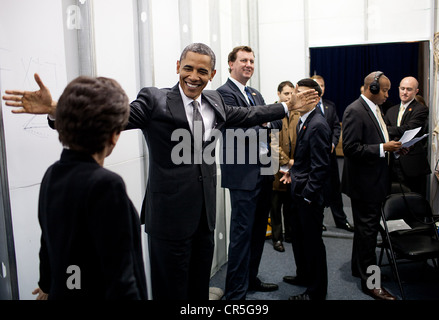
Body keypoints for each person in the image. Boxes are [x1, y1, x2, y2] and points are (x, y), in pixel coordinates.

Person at [3, 43, 319, 300]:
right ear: (178, 66)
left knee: (197, 291)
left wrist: (285, 107)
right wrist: (58, 108)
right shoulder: (154, 100)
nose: (194, 76)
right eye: (188, 68)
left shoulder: (216, 101)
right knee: (171, 292)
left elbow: (248, 114)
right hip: (168, 218)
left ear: (212, 74)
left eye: (202, 71)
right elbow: (114, 116)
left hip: (204, 217)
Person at [32, 76, 147, 299]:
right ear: (114, 136)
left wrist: (46, 284)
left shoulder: (52, 174)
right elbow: (121, 278)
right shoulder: (106, 185)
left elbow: (47, 244)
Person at [217, 45, 278, 300]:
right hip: (242, 176)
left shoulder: (255, 93)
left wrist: (260, 121)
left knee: (256, 233)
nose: (249, 65)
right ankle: (235, 293)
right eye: (243, 60)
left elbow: (274, 123)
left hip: (263, 172)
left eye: (252, 60)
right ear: (231, 64)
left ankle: (251, 279)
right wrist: (261, 122)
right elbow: (235, 134)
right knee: (241, 235)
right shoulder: (223, 94)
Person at [341, 71, 403, 300]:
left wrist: (393, 147)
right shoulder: (355, 111)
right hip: (364, 184)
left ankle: (359, 269)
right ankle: (372, 284)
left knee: (364, 231)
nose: (388, 94)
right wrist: (382, 149)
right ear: (372, 89)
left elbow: (379, 137)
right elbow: (350, 148)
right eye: (385, 90)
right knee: (368, 234)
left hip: (374, 181)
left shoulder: (376, 109)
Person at [279, 78, 331, 300]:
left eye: (302, 94)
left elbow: (320, 167)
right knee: (299, 240)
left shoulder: (318, 124)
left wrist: (308, 196)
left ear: (315, 98)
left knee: (312, 245)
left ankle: (315, 293)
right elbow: (305, 159)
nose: (295, 97)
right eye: (295, 93)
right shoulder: (302, 120)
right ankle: (303, 276)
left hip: (308, 197)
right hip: (298, 190)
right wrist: (293, 172)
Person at [311, 75, 353, 232]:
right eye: (316, 85)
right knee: (318, 190)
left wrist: (334, 143)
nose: (319, 88)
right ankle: (318, 221)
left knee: (335, 190)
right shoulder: (306, 107)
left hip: (330, 157)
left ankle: (341, 220)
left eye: (322, 85)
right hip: (314, 158)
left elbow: (336, 126)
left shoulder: (330, 106)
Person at [384, 76, 430, 197]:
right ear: (398, 89)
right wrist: (388, 131)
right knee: (393, 198)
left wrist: (387, 129)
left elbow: (409, 129)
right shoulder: (391, 111)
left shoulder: (421, 109)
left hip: (412, 164)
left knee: (413, 200)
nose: (404, 92)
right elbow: (385, 134)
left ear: (416, 91)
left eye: (409, 89)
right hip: (392, 163)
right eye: (402, 88)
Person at [270, 81, 296, 252]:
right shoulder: (271, 113)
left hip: (293, 168)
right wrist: (286, 160)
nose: (289, 97)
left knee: (290, 206)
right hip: (275, 169)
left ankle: (290, 234)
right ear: (278, 94)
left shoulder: (296, 113)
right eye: (286, 93)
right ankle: (277, 238)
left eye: (291, 93)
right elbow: (271, 141)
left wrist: (294, 162)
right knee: (275, 206)